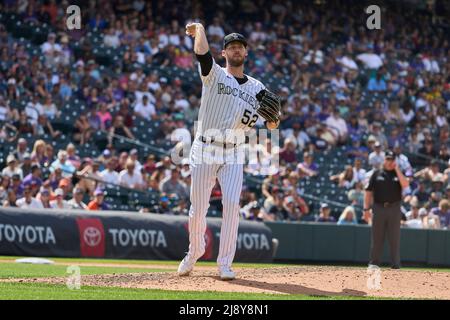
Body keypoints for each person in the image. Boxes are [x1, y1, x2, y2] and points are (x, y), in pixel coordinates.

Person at [178, 23, 280, 281]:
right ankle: (195, 251)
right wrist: (199, 29)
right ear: (224, 53)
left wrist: (274, 121)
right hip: (205, 147)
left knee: (232, 205)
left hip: (234, 151)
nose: (236, 50)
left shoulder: (258, 88)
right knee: (198, 208)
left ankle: (225, 263)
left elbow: (271, 122)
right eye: (231, 47)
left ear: (246, 53)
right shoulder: (214, 74)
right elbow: (201, 53)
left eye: (240, 47)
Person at [364, 150, 409, 269]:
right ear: (384, 160)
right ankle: (374, 263)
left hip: (394, 208)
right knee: (377, 237)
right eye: (388, 159)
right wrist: (366, 209)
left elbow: (405, 185)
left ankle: (395, 264)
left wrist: (397, 169)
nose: (389, 162)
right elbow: (368, 192)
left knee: (394, 238)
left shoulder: (398, 173)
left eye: (392, 159)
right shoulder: (376, 173)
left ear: (395, 161)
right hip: (379, 207)